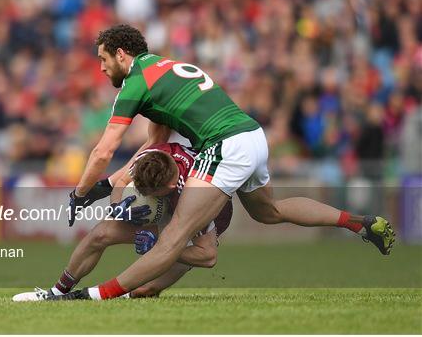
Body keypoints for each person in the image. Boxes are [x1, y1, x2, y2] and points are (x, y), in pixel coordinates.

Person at [52, 24, 395, 301]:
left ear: (122, 54)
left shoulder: (134, 84)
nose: (101, 67)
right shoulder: (163, 69)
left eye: (103, 59)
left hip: (225, 146)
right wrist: (103, 187)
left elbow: (103, 150)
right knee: (269, 212)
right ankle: (358, 223)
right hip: (251, 136)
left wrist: (80, 192)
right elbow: (155, 142)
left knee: (172, 238)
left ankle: (94, 295)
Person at [12, 142, 233, 301]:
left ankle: (111, 295)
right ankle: (57, 293)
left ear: (169, 187)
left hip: (205, 213)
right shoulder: (151, 158)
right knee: (101, 233)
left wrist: (157, 244)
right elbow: (122, 180)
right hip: (169, 202)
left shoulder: (197, 193)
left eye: (151, 194)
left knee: (145, 290)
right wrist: (116, 207)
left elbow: (208, 256)